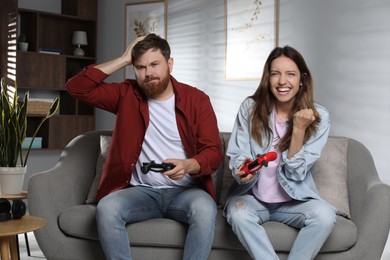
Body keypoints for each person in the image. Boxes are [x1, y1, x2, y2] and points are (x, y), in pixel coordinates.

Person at [66, 33, 223, 260]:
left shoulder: (197, 100)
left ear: (170, 64)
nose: (148, 73)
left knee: (205, 210)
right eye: (140, 67)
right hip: (140, 193)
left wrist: (189, 165)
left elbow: (214, 153)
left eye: (154, 65)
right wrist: (122, 59)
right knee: (107, 209)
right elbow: (77, 88)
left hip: (186, 192)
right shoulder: (126, 94)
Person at [225, 46, 336, 260]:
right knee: (237, 214)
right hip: (253, 198)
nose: (282, 81)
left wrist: (298, 130)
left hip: (295, 201)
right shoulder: (250, 108)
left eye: (290, 74)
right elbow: (238, 155)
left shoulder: (319, 116)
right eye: (275, 74)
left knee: (324, 216)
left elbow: (295, 173)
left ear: (302, 79)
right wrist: (242, 170)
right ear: (268, 78)